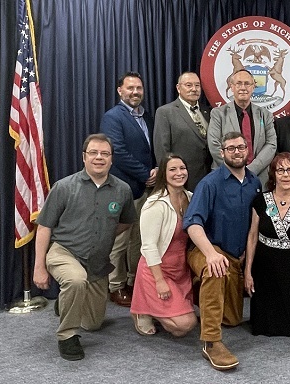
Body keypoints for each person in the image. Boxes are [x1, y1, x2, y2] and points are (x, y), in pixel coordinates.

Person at [33, 134, 136, 361]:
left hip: (97, 263)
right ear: (84, 157)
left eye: (105, 154)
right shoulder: (64, 187)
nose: (99, 157)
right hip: (64, 252)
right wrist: (39, 266)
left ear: (111, 159)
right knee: (76, 280)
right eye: (93, 153)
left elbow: (126, 223)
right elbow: (44, 228)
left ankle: (65, 301)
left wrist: (101, 237)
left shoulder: (122, 190)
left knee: (93, 324)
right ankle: (67, 336)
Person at [183, 131, 261, 371]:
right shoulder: (209, 183)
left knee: (233, 319)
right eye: (231, 148)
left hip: (236, 257)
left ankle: (200, 293)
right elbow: (192, 223)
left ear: (248, 150)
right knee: (214, 270)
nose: (236, 152)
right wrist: (210, 253)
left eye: (240, 147)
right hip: (207, 249)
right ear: (222, 153)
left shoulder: (254, 183)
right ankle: (211, 342)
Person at [101, 71, 157, 307]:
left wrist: (156, 171)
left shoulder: (148, 117)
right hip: (124, 188)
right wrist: (147, 175)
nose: (135, 92)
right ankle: (116, 286)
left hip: (145, 189)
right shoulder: (113, 117)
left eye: (139, 88)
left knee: (139, 239)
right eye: (130, 88)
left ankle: (134, 282)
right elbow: (119, 153)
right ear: (120, 91)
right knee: (120, 241)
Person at [244, 153, 290, 336]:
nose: (285, 175)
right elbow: (252, 237)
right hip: (265, 266)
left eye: (289, 170)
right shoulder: (260, 201)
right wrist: (247, 271)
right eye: (280, 170)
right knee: (263, 325)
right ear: (273, 174)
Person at [130, 154, 198, 337]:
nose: (179, 173)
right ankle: (143, 309)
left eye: (182, 168)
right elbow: (149, 247)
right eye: (172, 169)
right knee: (184, 325)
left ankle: (152, 307)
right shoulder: (155, 204)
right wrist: (159, 282)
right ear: (163, 174)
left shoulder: (191, 198)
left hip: (180, 270)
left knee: (181, 330)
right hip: (157, 270)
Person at [207, 69, 276, 187]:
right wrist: (235, 169)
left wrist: (251, 169)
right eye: (238, 83)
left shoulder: (265, 114)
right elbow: (214, 145)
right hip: (225, 178)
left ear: (253, 87)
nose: (243, 88)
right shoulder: (218, 113)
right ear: (231, 87)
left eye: (247, 84)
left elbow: (271, 144)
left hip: (258, 178)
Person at [154, 72, 212, 192]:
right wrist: (169, 176)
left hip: (208, 178)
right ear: (178, 88)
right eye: (189, 85)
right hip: (181, 179)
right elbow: (162, 150)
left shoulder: (208, 111)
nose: (194, 89)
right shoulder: (165, 112)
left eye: (197, 85)